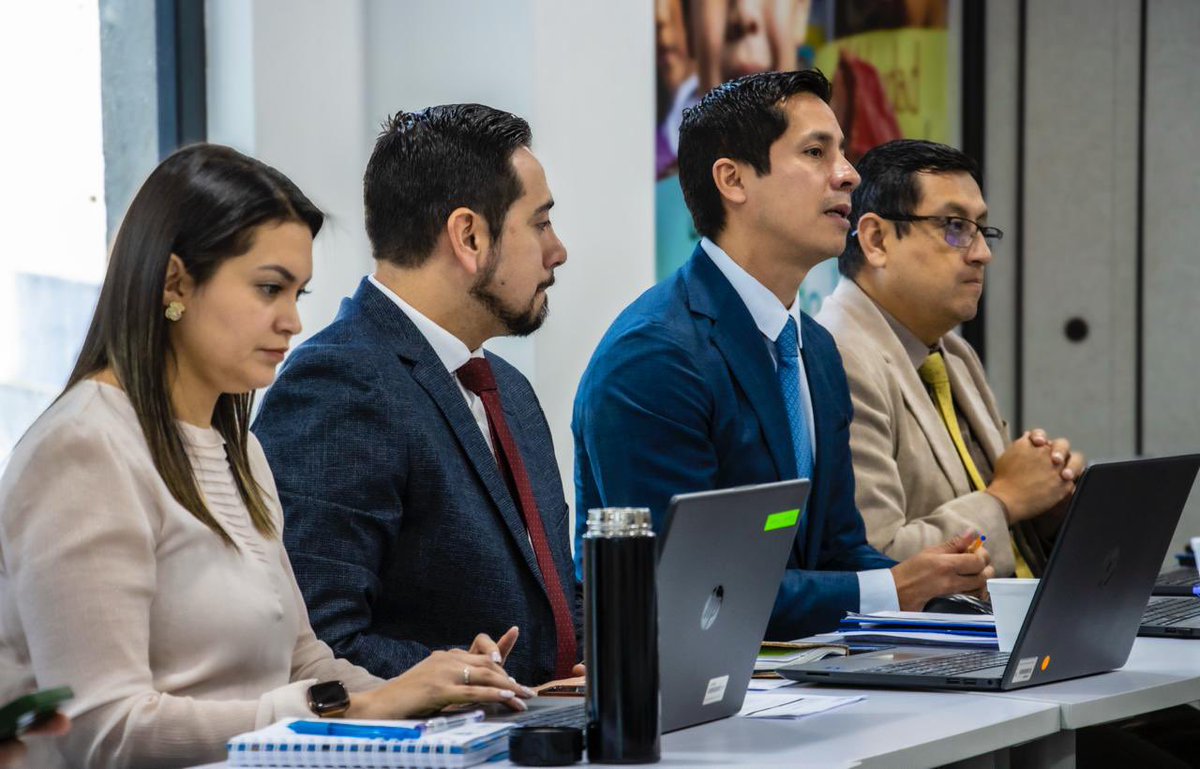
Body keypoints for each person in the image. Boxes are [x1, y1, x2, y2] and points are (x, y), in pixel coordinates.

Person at [0, 144, 532, 769]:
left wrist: (435, 697)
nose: (292, 321)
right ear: (175, 282)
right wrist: (352, 709)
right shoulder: (84, 448)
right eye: (269, 289)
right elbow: (103, 732)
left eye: (298, 293)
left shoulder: (239, 448)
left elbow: (304, 661)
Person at [573, 70, 993, 640]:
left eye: (842, 152)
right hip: (675, 684)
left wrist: (938, 587)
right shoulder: (655, 357)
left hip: (799, 674)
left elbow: (837, 549)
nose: (848, 174)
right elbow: (693, 588)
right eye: (816, 152)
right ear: (733, 180)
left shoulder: (814, 348)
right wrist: (896, 588)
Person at [254, 104, 582, 686]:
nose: (557, 250)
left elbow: (552, 602)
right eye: (540, 223)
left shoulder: (508, 389)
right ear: (469, 236)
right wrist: (473, 682)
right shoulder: (339, 383)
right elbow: (319, 643)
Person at [814, 139, 1084, 576]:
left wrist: (1047, 505)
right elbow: (876, 561)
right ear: (877, 240)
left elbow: (1005, 515)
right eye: (955, 227)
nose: (982, 254)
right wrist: (1005, 500)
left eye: (982, 230)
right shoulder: (837, 356)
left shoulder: (952, 352)